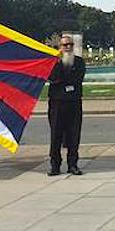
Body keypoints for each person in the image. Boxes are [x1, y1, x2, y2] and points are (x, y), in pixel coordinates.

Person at [47, 35, 85, 176]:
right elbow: (54, 79)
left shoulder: (79, 62)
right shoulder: (54, 63)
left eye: (70, 44)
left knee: (73, 135)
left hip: (74, 103)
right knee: (56, 134)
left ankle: (73, 164)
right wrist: (56, 62)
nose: (68, 47)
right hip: (57, 103)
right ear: (60, 47)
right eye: (65, 45)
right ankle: (55, 165)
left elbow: (77, 79)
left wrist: (65, 84)